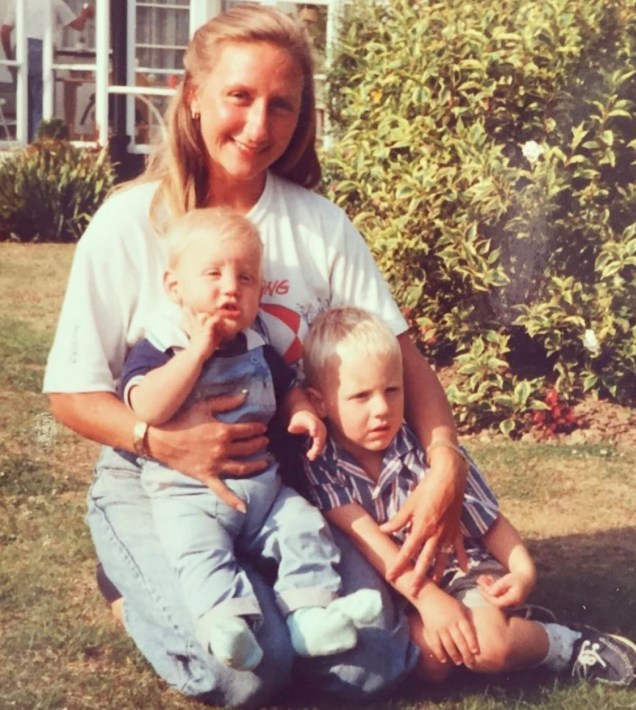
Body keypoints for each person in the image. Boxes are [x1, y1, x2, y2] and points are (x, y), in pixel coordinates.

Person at [43, 5, 468, 707]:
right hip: (156, 480)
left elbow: (401, 353)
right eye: (238, 97)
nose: (258, 125)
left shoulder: (319, 225)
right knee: (247, 674)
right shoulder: (127, 223)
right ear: (194, 96)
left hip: (282, 485)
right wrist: (162, 441)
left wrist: (445, 459)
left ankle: (261, 585)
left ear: (301, 118)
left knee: (363, 669)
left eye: (282, 106)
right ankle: (129, 585)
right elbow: (70, 393)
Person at [301, 306, 636, 688]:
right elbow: (372, 545)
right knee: (431, 663)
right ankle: (508, 628)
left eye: (391, 390)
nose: (381, 409)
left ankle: (565, 644)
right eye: (361, 396)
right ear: (319, 403)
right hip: (401, 588)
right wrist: (429, 601)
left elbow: (489, 519)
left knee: (488, 648)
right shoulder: (322, 464)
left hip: (462, 569)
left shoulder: (428, 452)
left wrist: (523, 569)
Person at [121, 206, 381, 671]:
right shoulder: (162, 343)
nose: (230, 287)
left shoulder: (258, 340)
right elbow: (147, 407)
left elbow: (286, 390)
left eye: (245, 278)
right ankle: (225, 626)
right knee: (199, 552)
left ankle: (310, 614)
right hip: (188, 495)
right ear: (174, 287)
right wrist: (198, 350)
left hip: (264, 493)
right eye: (214, 274)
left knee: (303, 525)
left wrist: (301, 414)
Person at [1, 0, 94, 141]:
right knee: (41, 102)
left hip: (19, 50)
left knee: (23, 101)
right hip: (42, 50)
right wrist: (85, 14)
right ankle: (37, 145)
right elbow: (78, 25)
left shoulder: (18, 2)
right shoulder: (55, 3)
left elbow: (4, 32)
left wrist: (10, 59)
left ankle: (24, 143)